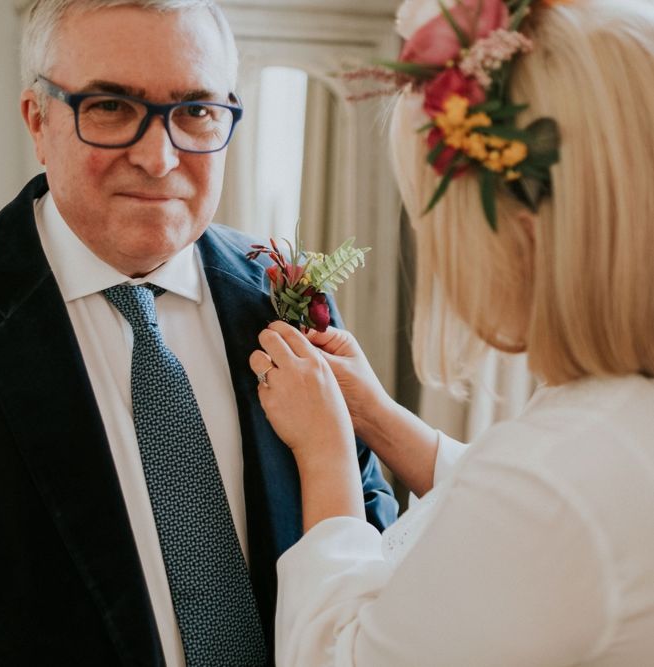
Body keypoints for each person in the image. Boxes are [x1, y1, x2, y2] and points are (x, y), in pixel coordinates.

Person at [0, 1, 398, 665]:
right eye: (111, 107)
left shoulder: (282, 293)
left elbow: (371, 537)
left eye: (195, 110)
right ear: (38, 120)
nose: (158, 156)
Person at [249, 0, 654, 664]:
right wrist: (376, 417)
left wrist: (324, 453)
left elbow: (339, 656)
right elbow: (524, 543)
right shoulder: (606, 425)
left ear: (521, 237)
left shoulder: (553, 481)